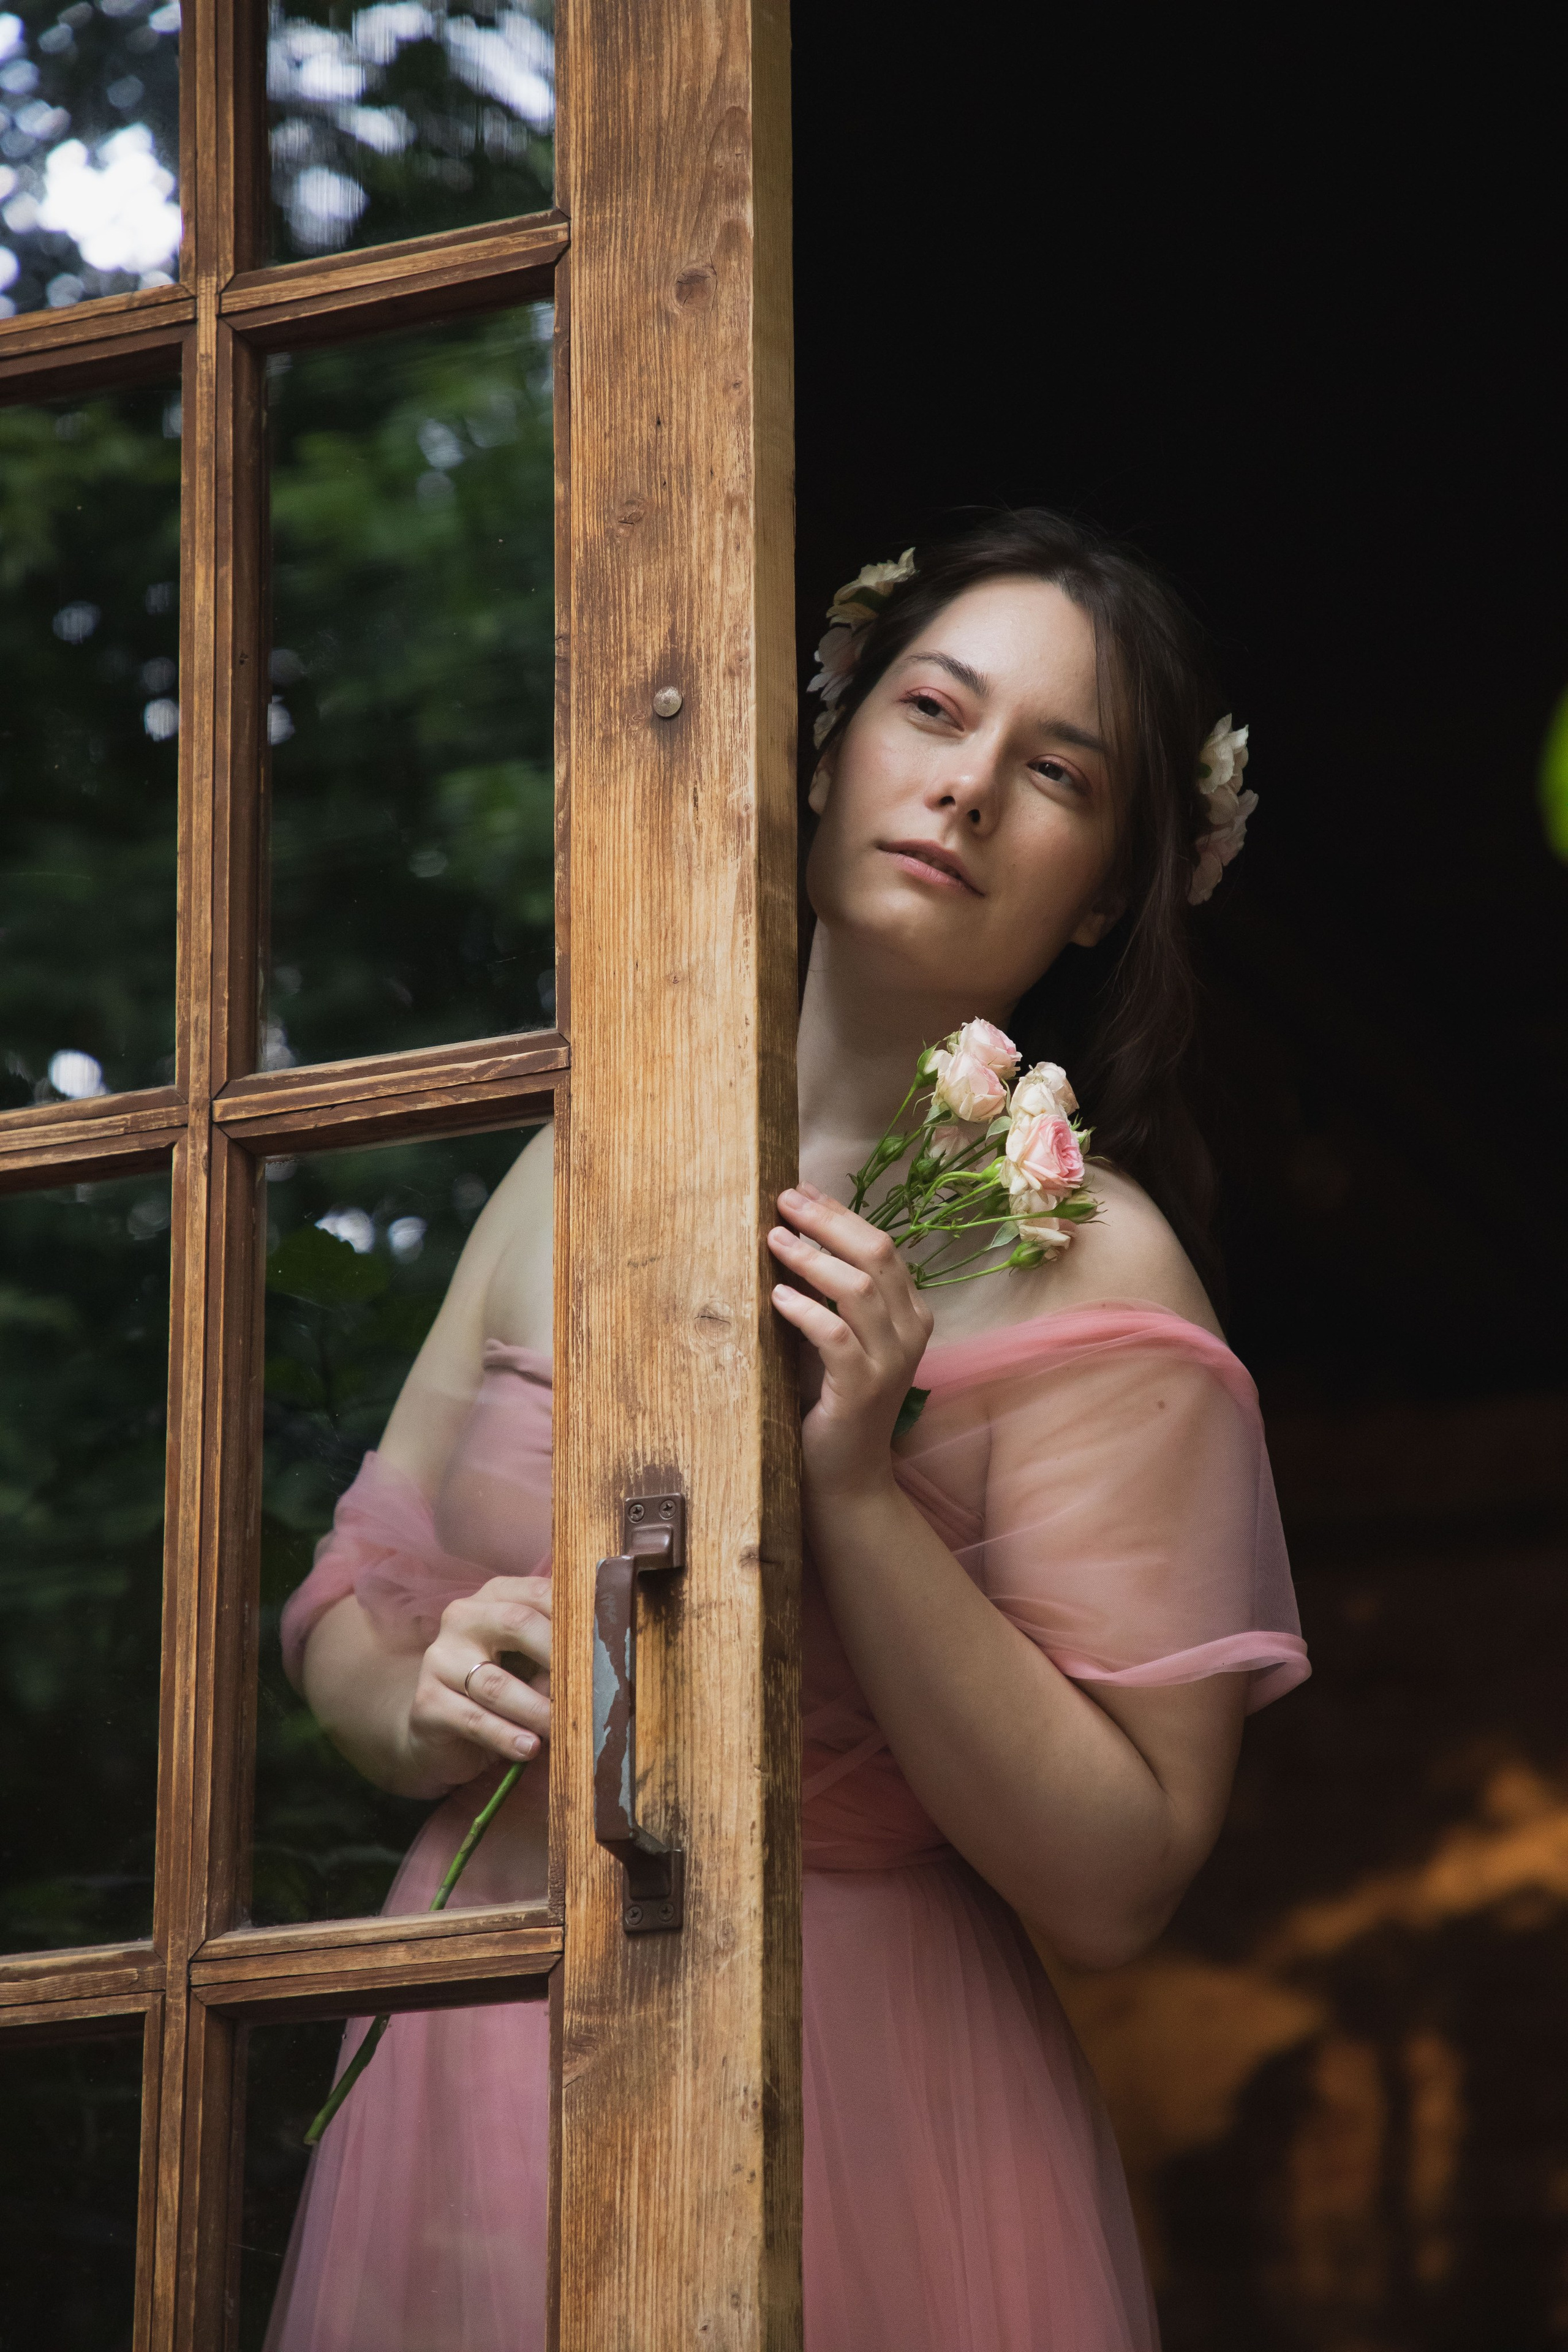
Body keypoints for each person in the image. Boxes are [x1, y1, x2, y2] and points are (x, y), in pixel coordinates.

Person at [268, 509, 1307, 2351]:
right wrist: (421, 1699)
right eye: (935, 711)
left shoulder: (1096, 1262)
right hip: (478, 2038)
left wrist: (857, 1487)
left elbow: (1123, 1877)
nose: (965, 786)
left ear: (1103, 892)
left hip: (855, 2089)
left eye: (1056, 772)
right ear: (829, 750)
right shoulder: (581, 1154)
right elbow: (354, 1589)